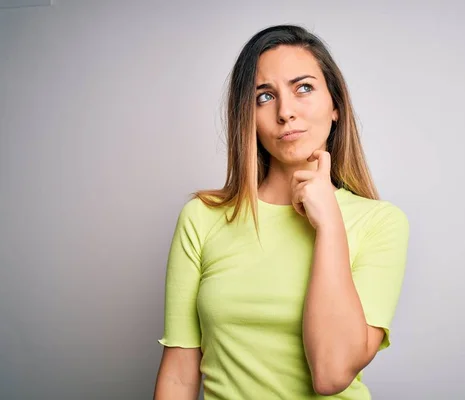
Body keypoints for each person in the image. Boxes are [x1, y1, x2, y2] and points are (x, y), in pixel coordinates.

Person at [153, 24, 410, 400]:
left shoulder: (381, 223)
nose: (285, 112)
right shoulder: (202, 217)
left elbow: (331, 374)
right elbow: (178, 374)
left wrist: (329, 224)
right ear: (248, 117)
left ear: (335, 105)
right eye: (264, 97)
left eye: (303, 87)